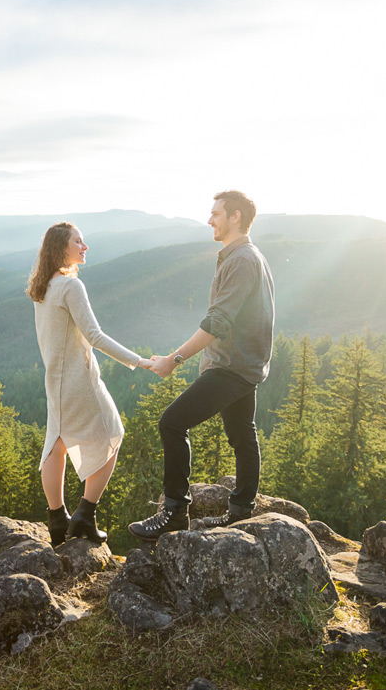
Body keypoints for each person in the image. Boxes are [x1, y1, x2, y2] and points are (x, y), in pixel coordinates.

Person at [128, 190, 275, 540]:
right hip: (243, 364)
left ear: (235, 216)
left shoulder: (241, 260)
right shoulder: (244, 256)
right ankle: (241, 511)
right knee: (243, 435)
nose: (210, 220)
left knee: (172, 423)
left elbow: (218, 320)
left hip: (231, 366)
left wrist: (174, 360)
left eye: (215, 213)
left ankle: (175, 512)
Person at [28, 221, 154, 545]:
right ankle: (86, 513)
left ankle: (57, 520)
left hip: (53, 380)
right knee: (114, 433)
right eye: (78, 242)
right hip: (80, 380)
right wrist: (139, 361)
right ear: (61, 248)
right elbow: (94, 336)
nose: (85, 247)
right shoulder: (71, 287)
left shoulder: (43, 287)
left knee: (56, 445)